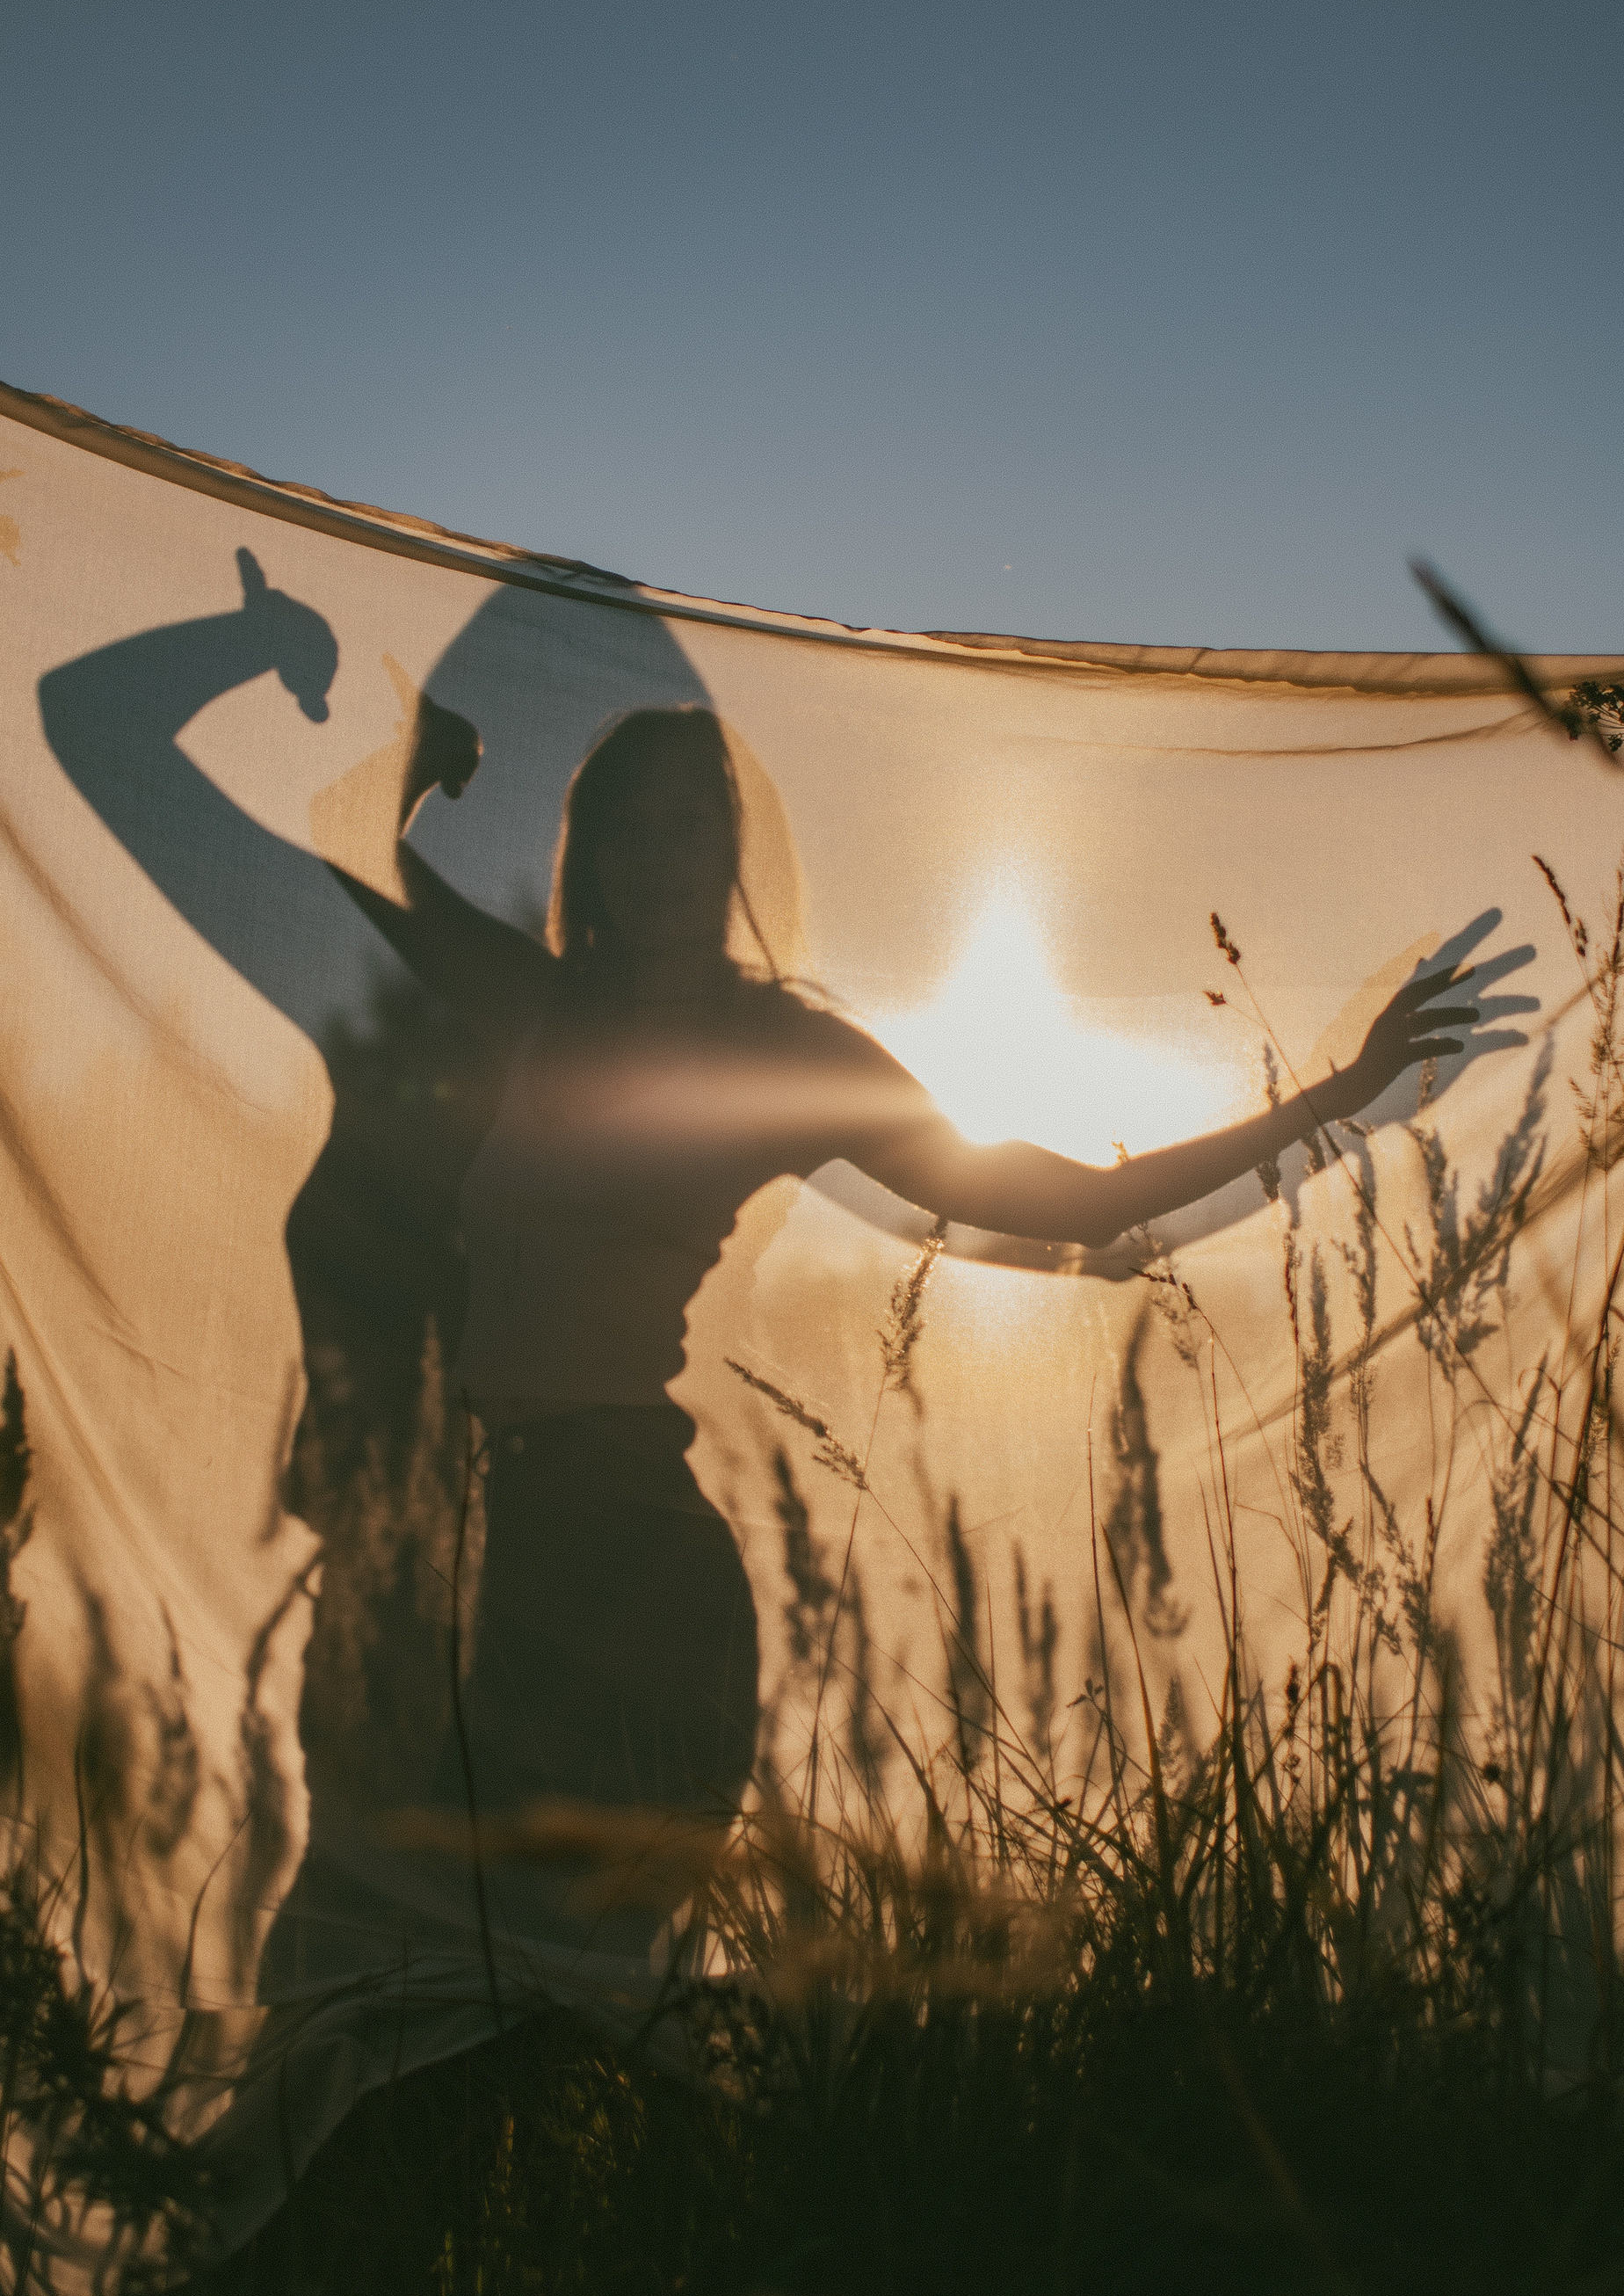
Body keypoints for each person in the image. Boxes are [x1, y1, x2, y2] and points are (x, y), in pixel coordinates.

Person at [332, 695, 1479, 1921]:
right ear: (591, 859)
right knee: (465, 1972)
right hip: (493, 1536)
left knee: (575, 1967)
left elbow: (1078, 1203)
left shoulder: (788, 1053)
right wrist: (415, 757)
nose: (663, 858)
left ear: (734, 851)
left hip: (636, 1558)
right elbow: (344, 849)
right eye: (631, 829)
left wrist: (1340, 1095)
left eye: (691, 824)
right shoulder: (538, 1005)